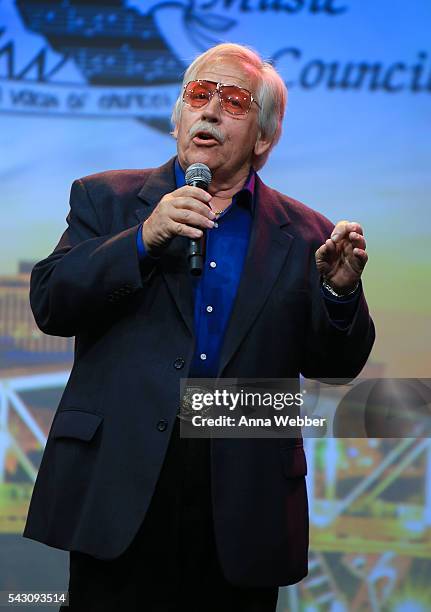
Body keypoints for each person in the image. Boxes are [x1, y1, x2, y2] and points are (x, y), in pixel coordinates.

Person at [23, 43, 375, 611]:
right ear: (178, 117)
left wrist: (339, 292)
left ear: (263, 138)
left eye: (233, 100)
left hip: (243, 494)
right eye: (198, 95)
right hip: (124, 481)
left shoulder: (309, 233)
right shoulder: (105, 199)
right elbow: (51, 303)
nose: (209, 110)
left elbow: (336, 366)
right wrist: (141, 240)